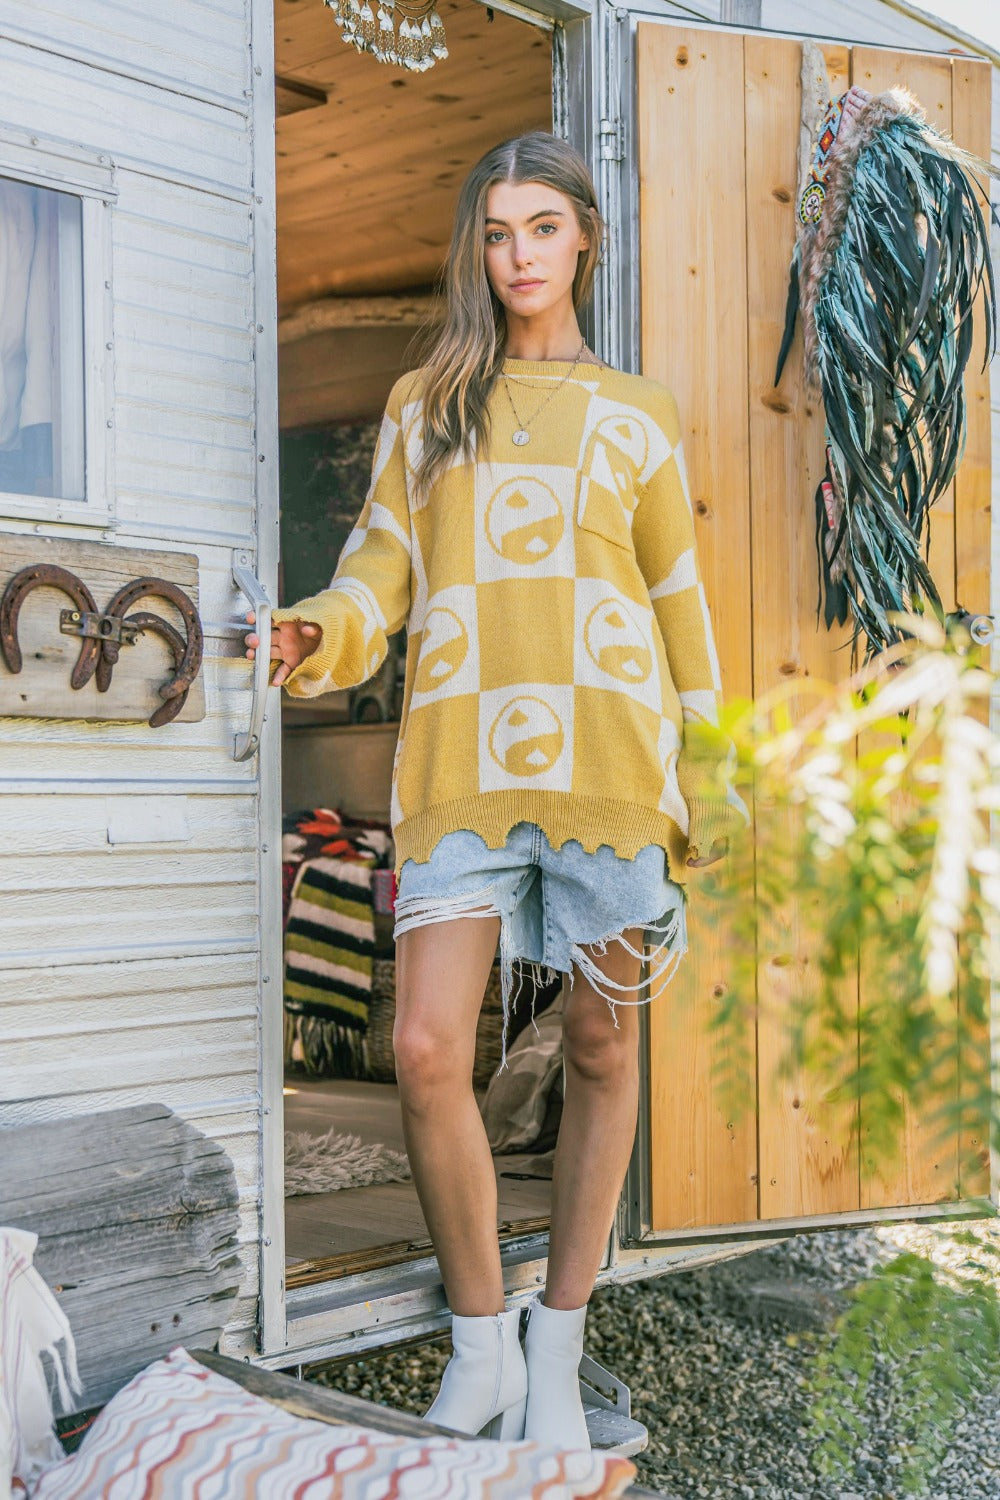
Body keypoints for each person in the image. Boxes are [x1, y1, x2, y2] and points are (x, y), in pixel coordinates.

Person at [245, 130, 747, 1449]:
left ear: (584, 238)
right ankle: (483, 1345)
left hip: (613, 763)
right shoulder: (429, 402)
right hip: (461, 762)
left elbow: (676, 604)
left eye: (541, 228)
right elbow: (377, 576)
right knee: (424, 1052)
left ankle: (561, 1347)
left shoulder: (637, 410)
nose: (517, 255)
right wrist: (315, 632)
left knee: (602, 1047)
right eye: (496, 231)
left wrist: (707, 763)